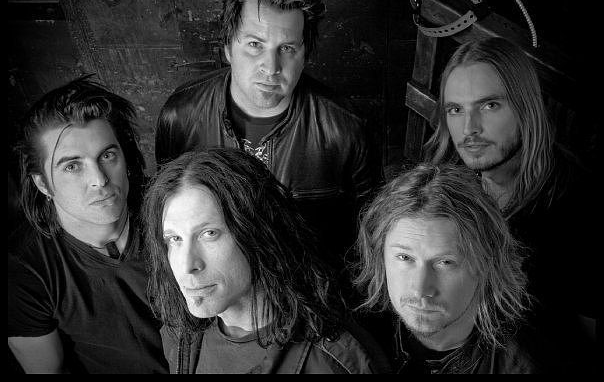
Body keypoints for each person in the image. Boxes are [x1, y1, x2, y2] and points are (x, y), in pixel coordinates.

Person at [154, 0, 382, 280]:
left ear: (305, 54)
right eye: (255, 45)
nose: (271, 67)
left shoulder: (345, 129)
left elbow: (370, 240)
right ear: (227, 46)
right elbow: (168, 218)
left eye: (286, 48)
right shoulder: (181, 116)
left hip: (308, 291)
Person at [424, 36, 596, 372]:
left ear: (525, 107)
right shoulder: (449, 179)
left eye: (489, 105)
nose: (469, 129)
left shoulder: (579, 209)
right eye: (456, 109)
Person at [142, 148, 391, 374]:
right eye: (174, 239)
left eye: (209, 234)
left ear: (257, 234)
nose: (187, 265)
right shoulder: (180, 337)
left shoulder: (334, 361)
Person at [7, 76, 169, 373]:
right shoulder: (25, 268)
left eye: (107, 155)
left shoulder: (171, 211)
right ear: (42, 184)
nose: (100, 179)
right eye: (72, 166)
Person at [354, 162, 536, 374]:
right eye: (405, 258)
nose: (420, 290)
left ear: (487, 264)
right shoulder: (353, 346)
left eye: (445, 262)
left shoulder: (523, 367)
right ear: (381, 258)